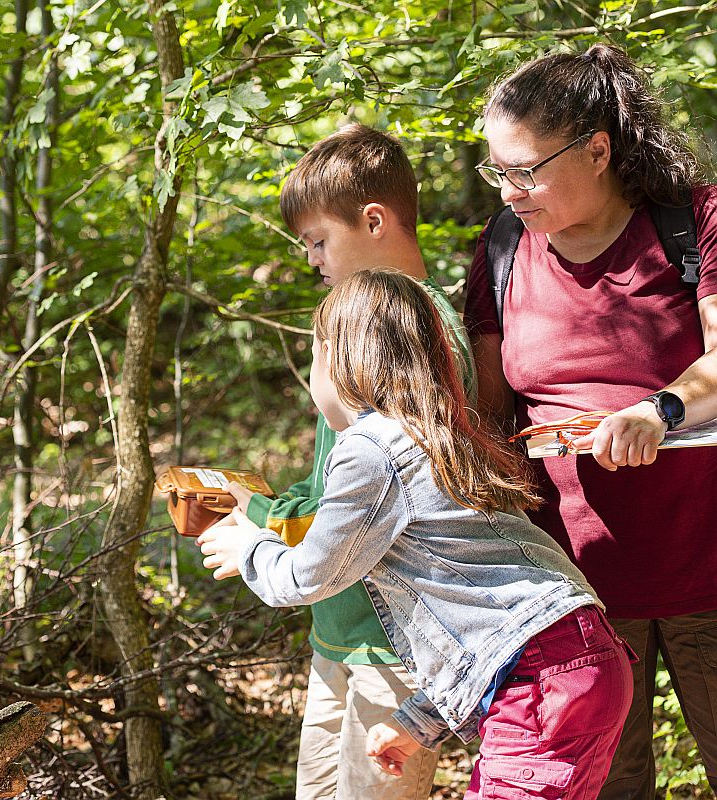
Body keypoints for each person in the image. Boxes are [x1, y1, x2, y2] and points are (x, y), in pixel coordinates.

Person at [199, 269, 633, 800]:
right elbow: (483, 613)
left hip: (540, 678)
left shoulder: (370, 449)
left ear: (342, 359)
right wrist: (419, 722)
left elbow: (306, 577)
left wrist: (249, 545)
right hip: (583, 655)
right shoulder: (446, 435)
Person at [463, 44, 717, 799]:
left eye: (525, 169)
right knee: (605, 786)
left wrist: (657, 408)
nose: (509, 191)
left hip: (708, 572)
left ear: (598, 149)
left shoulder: (693, 221)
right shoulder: (502, 249)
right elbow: (488, 412)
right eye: (497, 172)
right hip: (576, 601)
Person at [223, 123, 477, 800]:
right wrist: (257, 512)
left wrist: (260, 542)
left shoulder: (418, 331)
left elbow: (401, 489)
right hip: (340, 631)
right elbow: (336, 492)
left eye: (317, 240)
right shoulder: (364, 331)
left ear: (373, 221)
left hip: (394, 641)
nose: (311, 259)